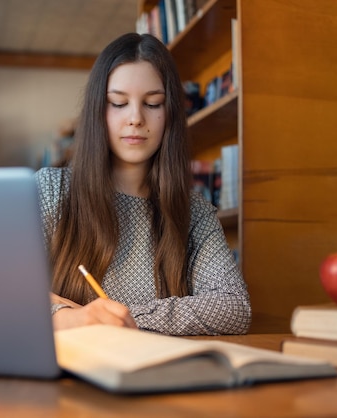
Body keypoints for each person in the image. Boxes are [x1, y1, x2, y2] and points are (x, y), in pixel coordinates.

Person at [35, 32, 251, 336]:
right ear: (98, 110)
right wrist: (67, 318)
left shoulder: (195, 212)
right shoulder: (50, 191)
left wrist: (110, 316)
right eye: (118, 102)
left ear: (170, 114)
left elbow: (234, 307)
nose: (135, 118)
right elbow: (0, 287)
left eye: (152, 103)